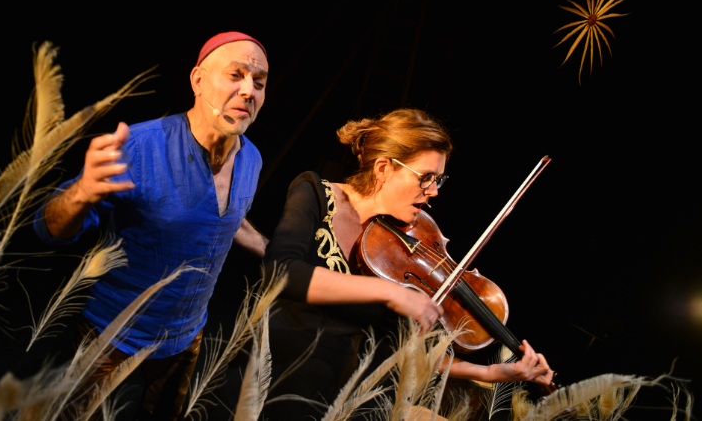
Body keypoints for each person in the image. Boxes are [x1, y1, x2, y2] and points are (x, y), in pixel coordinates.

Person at [33, 31, 270, 420]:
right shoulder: (139, 148)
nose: (248, 91)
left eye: (258, 83)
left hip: (185, 336)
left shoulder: (252, 159)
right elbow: (47, 229)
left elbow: (225, 215)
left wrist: (271, 248)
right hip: (111, 334)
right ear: (197, 80)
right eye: (236, 75)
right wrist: (81, 193)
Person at [259, 108, 553, 420]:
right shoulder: (316, 192)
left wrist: (493, 371)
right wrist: (389, 293)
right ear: (383, 167)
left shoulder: (405, 246)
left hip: (349, 402)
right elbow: (282, 271)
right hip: (277, 379)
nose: (435, 191)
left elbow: (410, 350)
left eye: (439, 179)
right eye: (425, 178)